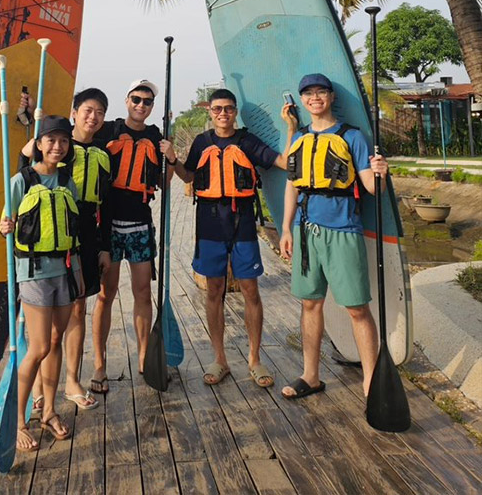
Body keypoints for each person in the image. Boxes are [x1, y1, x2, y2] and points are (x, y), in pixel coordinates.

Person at [161, 89, 297, 388]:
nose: (223, 114)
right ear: (210, 112)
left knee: (250, 289)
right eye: (217, 109)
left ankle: (255, 359)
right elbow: (188, 176)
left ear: (235, 112)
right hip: (209, 223)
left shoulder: (247, 141)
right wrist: (172, 159)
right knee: (214, 289)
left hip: (242, 222)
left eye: (228, 109)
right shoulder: (202, 142)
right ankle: (219, 358)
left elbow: (285, 162)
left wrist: (291, 128)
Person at [279, 73, 388, 400]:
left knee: (356, 308)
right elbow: (292, 186)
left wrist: (381, 174)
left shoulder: (352, 136)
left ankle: (371, 380)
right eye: (308, 93)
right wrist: (285, 228)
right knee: (310, 303)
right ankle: (310, 376)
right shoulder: (299, 137)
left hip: (343, 232)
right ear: (302, 100)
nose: (315, 98)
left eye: (321, 92)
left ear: (331, 97)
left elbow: (372, 188)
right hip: (304, 231)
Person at [17, 89, 112, 413]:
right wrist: (33, 114)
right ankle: (40, 391)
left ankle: (71, 381)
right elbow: (26, 166)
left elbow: (106, 204)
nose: (92, 117)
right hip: (51, 234)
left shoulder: (102, 150)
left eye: (99, 112)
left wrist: (104, 247)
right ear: (74, 112)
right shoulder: (58, 147)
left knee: (78, 310)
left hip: (85, 234)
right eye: (87, 110)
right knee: (46, 331)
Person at [0, 115, 84, 452]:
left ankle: (49, 411)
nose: (57, 146)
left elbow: (73, 231)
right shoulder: (20, 180)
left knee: (55, 340)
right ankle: (18, 421)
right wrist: (5, 227)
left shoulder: (67, 181)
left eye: (63, 141)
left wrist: (78, 273)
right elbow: (5, 222)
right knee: (37, 348)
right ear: (38, 144)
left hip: (64, 270)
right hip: (33, 273)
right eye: (51, 140)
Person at [91, 79, 171, 392]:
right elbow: (73, 135)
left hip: (140, 225)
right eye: (136, 99)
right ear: (127, 100)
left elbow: (165, 180)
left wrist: (171, 157)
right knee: (106, 294)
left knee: (142, 293)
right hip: (109, 226)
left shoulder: (156, 136)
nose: (141, 105)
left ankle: (143, 358)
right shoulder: (107, 130)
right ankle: (99, 365)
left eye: (147, 101)